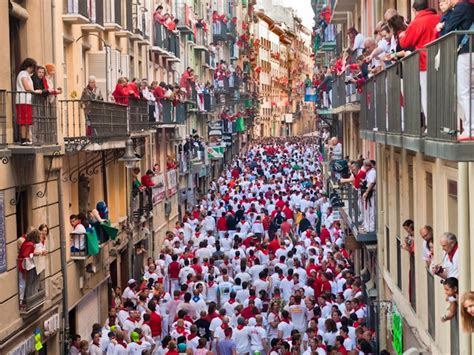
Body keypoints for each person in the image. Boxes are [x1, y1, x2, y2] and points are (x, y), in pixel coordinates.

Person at [398, 0, 440, 126]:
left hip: (424, 62)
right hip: (440, 58)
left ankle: (431, 125)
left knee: (427, 95)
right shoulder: (438, 17)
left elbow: (405, 43)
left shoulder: (417, 22)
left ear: (415, 10)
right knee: (441, 92)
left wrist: (402, 35)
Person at [437, 0, 474, 140]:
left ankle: (470, 128)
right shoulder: (470, 6)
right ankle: (470, 127)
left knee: (464, 91)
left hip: (466, 52)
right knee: (471, 91)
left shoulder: (461, 7)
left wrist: (441, 25)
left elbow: (448, 29)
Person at [16, 58, 43, 145]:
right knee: (24, 120)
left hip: (27, 100)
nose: (33, 70)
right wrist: (35, 91)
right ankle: (23, 139)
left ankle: (27, 138)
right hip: (23, 100)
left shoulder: (26, 74)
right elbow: (26, 87)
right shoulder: (23, 74)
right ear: (29, 66)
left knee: (28, 120)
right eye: (32, 68)